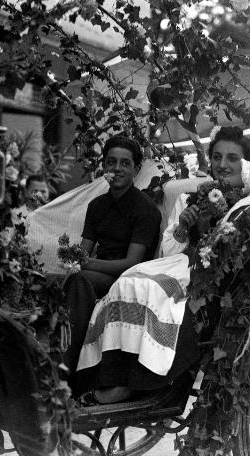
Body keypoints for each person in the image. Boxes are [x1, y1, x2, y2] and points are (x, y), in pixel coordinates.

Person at [75, 127, 250, 404]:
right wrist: (183, 227)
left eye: (232, 158)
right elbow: (168, 249)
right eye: (217, 157)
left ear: (247, 163)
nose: (222, 165)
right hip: (182, 263)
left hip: (220, 275)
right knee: (128, 282)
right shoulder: (191, 198)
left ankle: (145, 381)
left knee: (157, 292)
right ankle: (113, 376)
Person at [63, 135, 162, 391]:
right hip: (97, 272)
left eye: (125, 163)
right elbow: (83, 250)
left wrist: (84, 264)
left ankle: (68, 373)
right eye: (111, 162)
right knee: (55, 281)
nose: (116, 169)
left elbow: (131, 262)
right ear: (103, 166)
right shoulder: (97, 205)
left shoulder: (145, 209)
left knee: (80, 280)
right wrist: (73, 259)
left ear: (136, 170)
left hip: (129, 278)